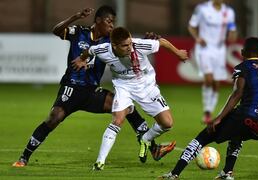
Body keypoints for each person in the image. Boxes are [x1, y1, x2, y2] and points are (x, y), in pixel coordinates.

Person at [12, 6, 175, 169]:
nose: (112, 26)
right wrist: (75, 17)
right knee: (55, 117)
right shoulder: (79, 32)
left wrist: (148, 40)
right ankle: (24, 157)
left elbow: (128, 44)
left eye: (113, 23)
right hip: (72, 86)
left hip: (92, 91)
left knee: (127, 108)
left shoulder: (111, 42)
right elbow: (56, 31)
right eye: (109, 21)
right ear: (98, 21)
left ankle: (153, 148)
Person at [158, 37, 258, 180]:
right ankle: (227, 173)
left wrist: (219, 118)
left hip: (249, 116)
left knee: (203, 136)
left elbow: (237, 93)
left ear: (242, 52)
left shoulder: (243, 67)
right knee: (237, 134)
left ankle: (174, 174)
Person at [72, 27, 188, 168]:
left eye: (130, 43)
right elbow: (89, 50)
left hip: (146, 86)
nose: (129, 47)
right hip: (123, 87)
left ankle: (145, 138)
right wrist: (81, 59)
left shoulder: (139, 45)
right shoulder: (103, 50)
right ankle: (100, 162)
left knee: (167, 123)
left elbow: (162, 42)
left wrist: (178, 53)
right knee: (118, 120)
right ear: (114, 46)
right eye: (125, 46)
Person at [188, 0, 238, 124]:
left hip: (220, 50)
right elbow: (192, 26)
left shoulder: (229, 12)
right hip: (204, 49)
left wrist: (233, 34)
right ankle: (206, 111)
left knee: (216, 83)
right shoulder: (203, 9)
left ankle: (209, 112)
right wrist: (197, 38)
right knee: (209, 79)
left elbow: (232, 28)